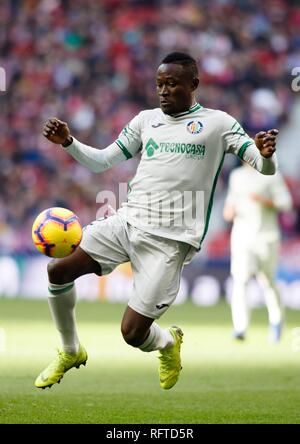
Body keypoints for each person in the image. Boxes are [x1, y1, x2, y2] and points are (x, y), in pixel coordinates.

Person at [36, 52, 278, 390]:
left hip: (170, 241)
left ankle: (167, 342)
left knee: (132, 334)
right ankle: (69, 349)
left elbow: (263, 166)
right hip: (127, 223)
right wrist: (69, 143)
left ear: (193, 84)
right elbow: (103, 161)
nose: (163, 91)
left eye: (172, 84)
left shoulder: (219, 124)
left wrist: (266, 155)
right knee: (57, 271)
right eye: (159, 84)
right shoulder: (145, 120)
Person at [223, 163, 292, 342]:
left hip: (267, 237)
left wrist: (264, 201)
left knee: (268, 281)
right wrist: (229, 211)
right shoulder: (237, 176)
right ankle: (240, 327)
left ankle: (276, 322)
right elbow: (231, 203)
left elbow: (286, 203)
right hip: (242, 237)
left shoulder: (272, 174)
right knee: (240, 280)